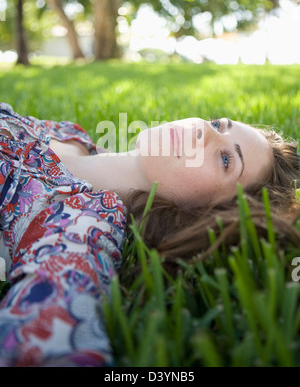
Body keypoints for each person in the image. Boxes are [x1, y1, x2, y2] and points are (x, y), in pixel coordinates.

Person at [0, 102, 299, 366]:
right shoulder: (74, 136)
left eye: (225, 160)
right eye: (217, 124)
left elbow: (48, 338)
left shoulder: (81, 223)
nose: (202, 131)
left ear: (210, 212)